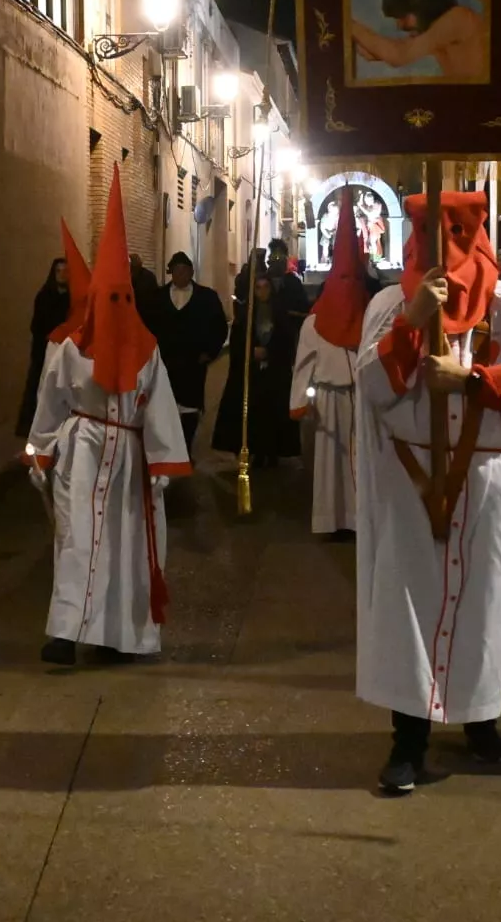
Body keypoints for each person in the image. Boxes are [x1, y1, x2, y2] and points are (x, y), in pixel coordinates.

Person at [353, 191, 501, 793]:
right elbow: (370, 386)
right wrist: (412, 323)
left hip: (485, 479)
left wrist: (474, 379)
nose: (443, 241)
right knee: (408, 608)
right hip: (412, 481)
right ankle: (408, 740)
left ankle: (479, 720)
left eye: (456, 228)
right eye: (428, 228)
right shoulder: (390, 303)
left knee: (484, 604)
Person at [25, 171, 190, 666]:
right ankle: (64, 632)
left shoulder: (148, 351)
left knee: (123, 548)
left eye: (123, 299)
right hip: (82, 452)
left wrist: (161, 465)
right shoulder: (70, 350)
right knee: (77, 541)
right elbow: (50, 405)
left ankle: (118, 635)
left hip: (129, 462)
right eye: (108, 300)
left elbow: (159, 408)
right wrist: (41, 452)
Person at [290, 227, 373, 536]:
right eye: (343, 280)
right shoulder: (315, 322)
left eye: (355, 280)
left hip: (362, 399)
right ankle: (332, 520)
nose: (349, 287)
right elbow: (304, 362)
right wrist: (300, 401)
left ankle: (359, 519)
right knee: (331, 464)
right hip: (328, 398)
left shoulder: (370, 316)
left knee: (361, 460)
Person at [213, 270, 301, 467]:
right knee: (255, 414)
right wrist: (250, 352)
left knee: (273, 414)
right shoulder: (245, 315)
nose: (262, 292)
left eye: (265, 287)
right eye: (258, 288)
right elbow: (237, 341)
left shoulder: (280, 313)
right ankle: (256, 451)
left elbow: (287, 340)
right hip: (252, 373)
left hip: (274, 372)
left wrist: (270, 352)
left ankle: (272, 452)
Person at [152, 251, 228, 451]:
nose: (180, 275)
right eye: (176, 271)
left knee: (190, 407)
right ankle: (169, 448)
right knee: (165, 405)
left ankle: (185, 449)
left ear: (191, 272)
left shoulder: (207, 297)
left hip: (193, 363)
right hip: (165, 363)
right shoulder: (157, 298)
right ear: (171, 273)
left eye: (185, 270)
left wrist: (209, 353)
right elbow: (148, 327)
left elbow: (219, 327)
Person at [351, 0, 486, 81]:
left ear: (418, 8)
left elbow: (398, 55)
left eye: (402, 18)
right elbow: (373, 54)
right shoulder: (435, 32)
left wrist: (349, 24)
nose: (400, 26)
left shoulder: (457, 19)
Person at [17, 255, 76, 439]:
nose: (61, 275)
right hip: (44, 353)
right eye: (58, 271)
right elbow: (37, 325)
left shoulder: (73, 299)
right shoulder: (44, 296)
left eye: (65, 271)